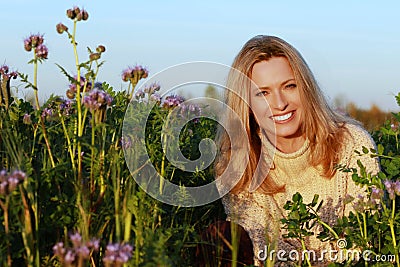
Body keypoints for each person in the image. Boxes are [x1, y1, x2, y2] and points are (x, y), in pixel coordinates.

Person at [214, 35, 380, 266]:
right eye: (263, 93)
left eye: (289, 86)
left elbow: (362, 240)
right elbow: (262, 249)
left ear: (306, 89)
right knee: (218, 236)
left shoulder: (352, 144)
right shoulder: (238, 164)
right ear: (246, 104)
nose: (280, 103)